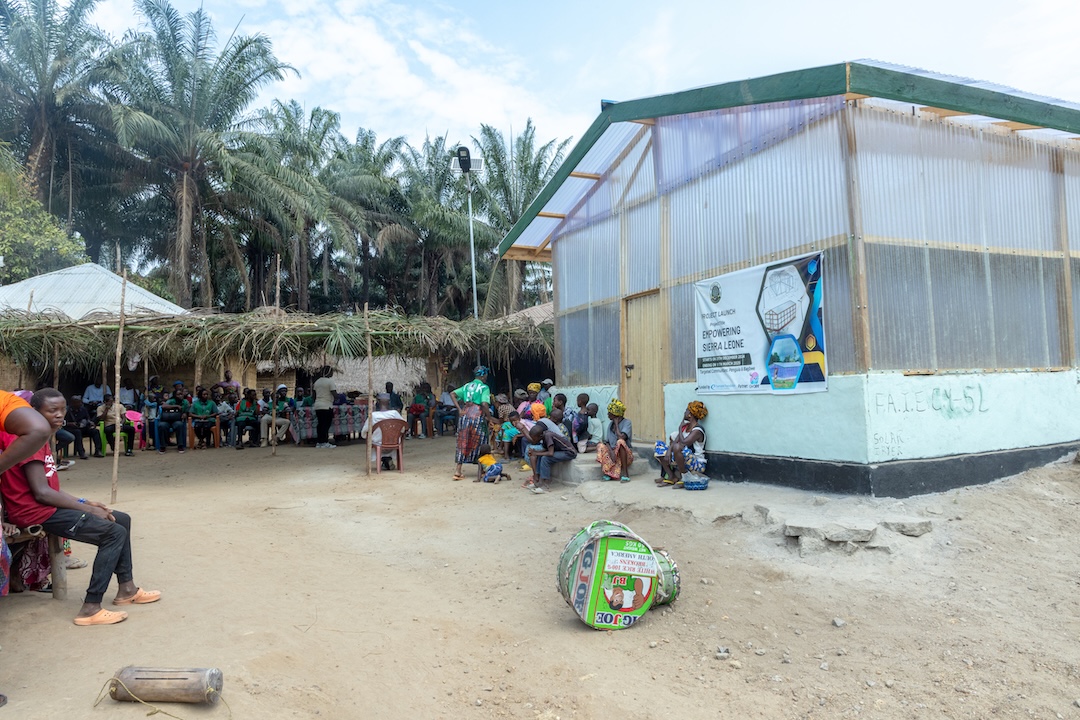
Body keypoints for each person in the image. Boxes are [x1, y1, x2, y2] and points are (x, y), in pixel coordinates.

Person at [0, 388, 161, 626]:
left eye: (62, 409)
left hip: (46, 507)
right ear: (34, 413)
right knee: (113, 533)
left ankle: (127, 589)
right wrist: (85, 510)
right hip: (34, 512)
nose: (59, 415)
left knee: (122, 519)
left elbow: (50, 489)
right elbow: (42, 493)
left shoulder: (40, 439)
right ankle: (91, 607)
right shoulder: (27, 442)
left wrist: (84, 502)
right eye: (51, 410)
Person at [451, 366, 492, 481]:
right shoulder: (484, 387)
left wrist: (459, 409)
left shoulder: (467, 386)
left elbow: (452, 394)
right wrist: (489, 417)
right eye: (486, 375)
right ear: (483, 375)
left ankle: (458, 471)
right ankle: (482, 470)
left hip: (465, 414)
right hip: (477, 415)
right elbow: (484, 404)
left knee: (463, 440)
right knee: (481, 441)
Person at [656, 401, 709, 488]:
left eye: (686, 411)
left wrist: (680, 428)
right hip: (683, 457)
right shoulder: (686, 427)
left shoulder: (698, 430)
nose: (684, 412)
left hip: (697, 463)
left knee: (678, 447)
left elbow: (684, 442)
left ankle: (684, 477)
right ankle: (671, 476)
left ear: (690, 415)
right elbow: (674, 441)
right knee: (659, 446)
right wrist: (669, 451)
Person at [524, 423, 577, 494]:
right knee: (540, 456)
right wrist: (535, 452)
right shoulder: (544, 436)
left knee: (545, 458)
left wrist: (536, 453)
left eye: (534, 438)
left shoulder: (548, 436)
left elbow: (550, 453)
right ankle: (539, 482)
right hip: (561, 452)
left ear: (540, 436)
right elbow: (546, 449)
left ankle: (545, 485)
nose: (532, 440)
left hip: (569, 453)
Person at [360, 393, 405, 470]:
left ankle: (384, 460)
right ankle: (387, 460)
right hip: (394, 441)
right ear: (389, 402)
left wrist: (367, 436)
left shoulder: (374, 415)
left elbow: (364, 431)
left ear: (378, 402)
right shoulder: (394, 414)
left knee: (375, 439)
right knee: (392, 437)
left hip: (378, 442)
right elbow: (404, 427)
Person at [596, 399, 634, 483]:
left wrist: (616, 425)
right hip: (614, 454)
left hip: (625, 455)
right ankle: (608, 472)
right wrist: (611, 452)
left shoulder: (627, 423)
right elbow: (607, 442)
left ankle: (625, 473)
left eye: (609, 413)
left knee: (620, 442)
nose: (607, 414)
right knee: (600, 445)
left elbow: (622, 437)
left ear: (615, 414)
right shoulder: (610, 424)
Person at [312, 366, 338, 449]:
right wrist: (338, 397)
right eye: (331, 372)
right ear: (328, 372)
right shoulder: (330, 382)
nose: (332, 373)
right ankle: (325, 442)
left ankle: (319, 442)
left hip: (318, 405)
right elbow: (334, 393)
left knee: (320, 424)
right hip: (327, 406)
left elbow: (314, 396)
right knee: (326, 425)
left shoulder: (317, 382)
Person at [157, 386, 189, 453]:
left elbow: (187, 411)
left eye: (181, 394)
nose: (180, 396)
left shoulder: (185, 402)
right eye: (178, 394)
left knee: (179, 425)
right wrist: (176, 406)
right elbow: (163, 406)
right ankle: (163, 446)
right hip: (167, 419)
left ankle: (180, 445)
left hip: (177, 420)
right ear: (175, 395)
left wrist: (185, 414)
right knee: (162, 426)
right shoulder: (171, 401)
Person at [62, 395, 92, 460]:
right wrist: (69, 423)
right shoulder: (67, 410)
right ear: (72, 403)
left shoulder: (83, 409)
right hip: (70, 429)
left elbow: (88, 419)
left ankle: (98, 450)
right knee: (77, 432)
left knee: (95, 431)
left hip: (82, 427)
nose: (79, 404)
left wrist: (89, 423)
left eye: (79, 402)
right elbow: (62, 422)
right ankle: (81, 453)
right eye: (77, 402)